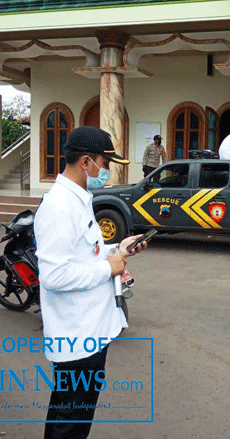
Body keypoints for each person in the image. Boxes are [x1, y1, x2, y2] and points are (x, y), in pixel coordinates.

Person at [34, 126, 148, 439]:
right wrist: (108, 269)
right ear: (86, 162)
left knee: (71, 413)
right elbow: (55, 276)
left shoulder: (79, 199)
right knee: (71, 418)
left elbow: (86, 255)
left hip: (89, 330)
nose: (107, 170)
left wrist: (119, 250)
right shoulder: (59, 207)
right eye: (105, 162)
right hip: (76, 335)